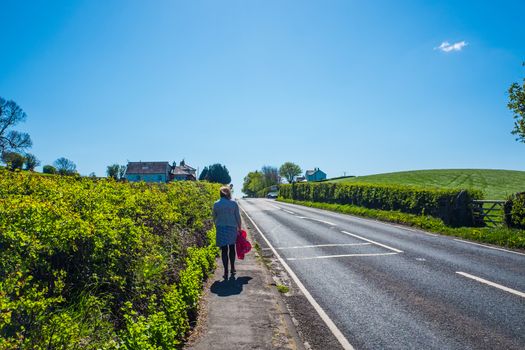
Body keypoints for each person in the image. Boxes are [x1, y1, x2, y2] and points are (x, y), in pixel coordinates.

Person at [213, 186, 241, 279]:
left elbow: (214, 217)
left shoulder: (216, 204)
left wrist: (216, 225)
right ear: (229, 193)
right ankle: (232, 267)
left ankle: (225, 271)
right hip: (232, 228)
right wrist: (239, 228)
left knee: (224, 250)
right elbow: (238, 217)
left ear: (220, 194)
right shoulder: (233, 203)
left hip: (221, 228)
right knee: (232, 248)